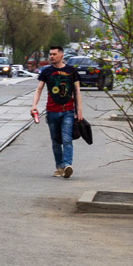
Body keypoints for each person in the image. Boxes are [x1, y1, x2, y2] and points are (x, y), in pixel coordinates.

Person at [30, 45, 82, 178]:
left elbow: (77, 91)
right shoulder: (46, 71)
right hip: (52, 111)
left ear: (61, 55)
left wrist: (79, 110)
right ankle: (59, 167)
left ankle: (67, 165)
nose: (51, 56)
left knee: (67, 138)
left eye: (54, 54)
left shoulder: (71, 71)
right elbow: (39, 89)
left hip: (68, 111)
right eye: (50, 54)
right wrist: (34, 105)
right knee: (56, 141)